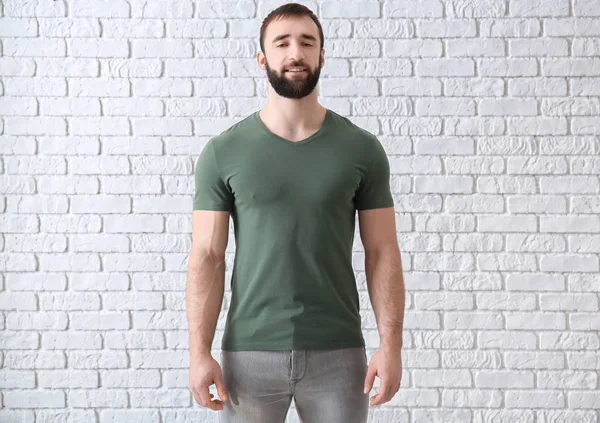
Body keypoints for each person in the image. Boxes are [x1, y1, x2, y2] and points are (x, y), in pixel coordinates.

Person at [186, 3, 405, 422]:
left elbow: (383, 251)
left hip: (339, 355)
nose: (295, 53)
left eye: (307, 42)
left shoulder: (361, 150)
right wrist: (199, 352)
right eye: (282, 42)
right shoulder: (223, 152)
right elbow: (207, 257)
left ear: (322, 55)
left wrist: (390, 346)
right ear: (262, 57)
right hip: (248, 355)